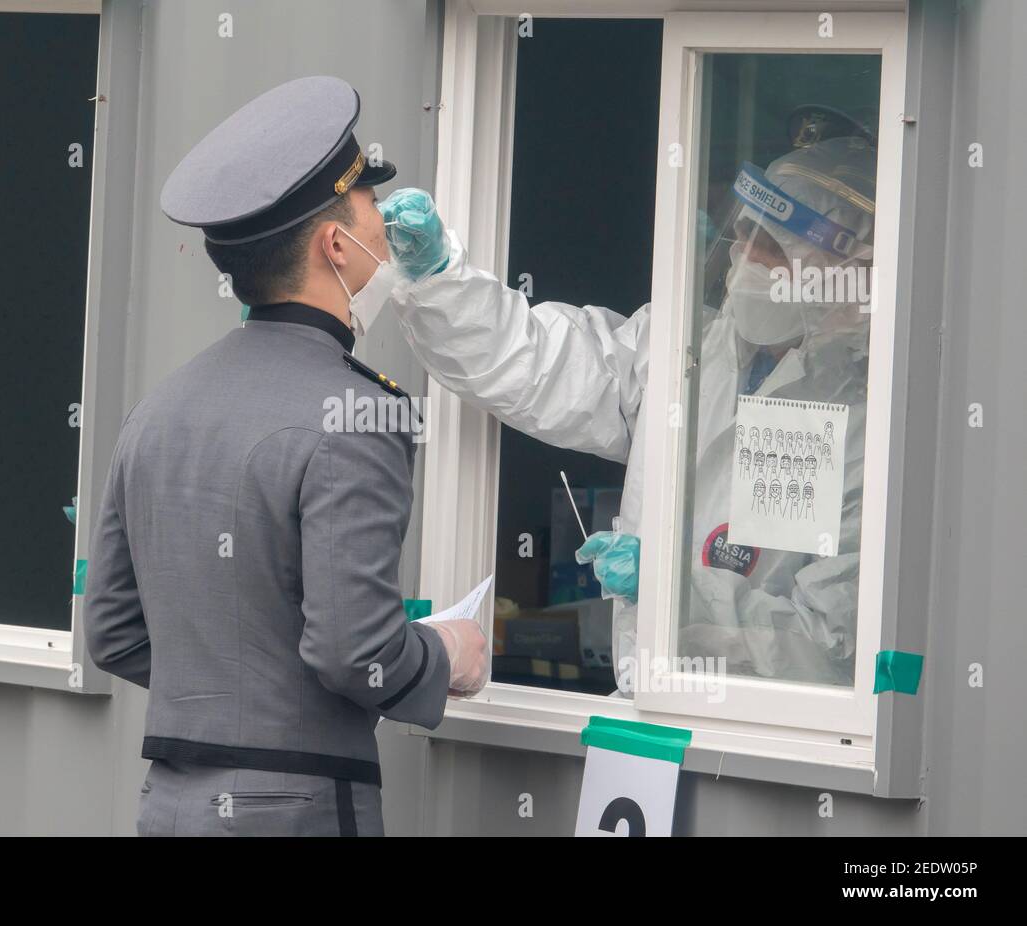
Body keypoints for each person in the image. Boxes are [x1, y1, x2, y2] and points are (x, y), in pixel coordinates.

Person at [84, 76, 487, 837]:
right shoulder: (357, 413)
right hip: (291, 808)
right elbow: (351, 649)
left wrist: (231, 687)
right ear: (335, 244)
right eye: (369, 207)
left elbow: (111, 629)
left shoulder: (159, 409)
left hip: (167, 804)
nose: (383, 224)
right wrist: (446, 654)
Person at [376, 119, 877, 689]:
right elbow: (538, 364)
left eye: (770, 250)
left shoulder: (864, 424)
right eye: (742, 236)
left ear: (834, 274)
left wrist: (675, 590)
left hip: (760, 740)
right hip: (640, 712)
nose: (743, 258)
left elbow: (829, 647)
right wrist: (440, 281)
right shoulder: (688, 351)